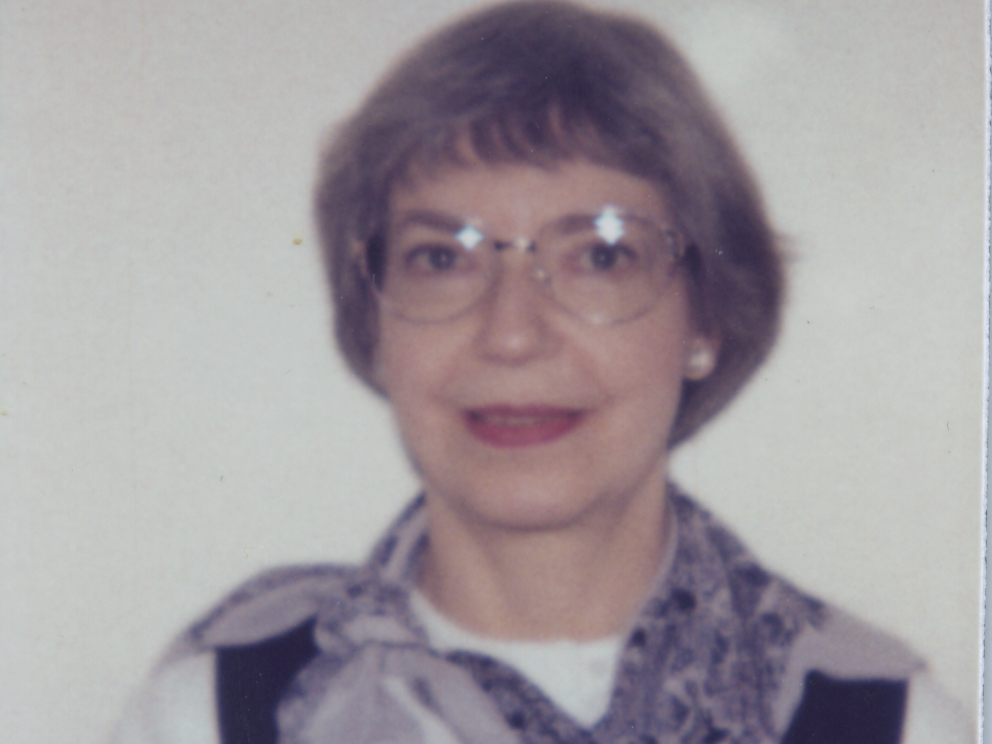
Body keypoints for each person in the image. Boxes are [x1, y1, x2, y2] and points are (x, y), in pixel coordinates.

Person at [113, 2, 970, 742]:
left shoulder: (881, 725)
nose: (512, 333)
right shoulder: (218, 717)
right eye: (441, 257)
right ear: (373, 319)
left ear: (705, 316)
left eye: (600, 256)